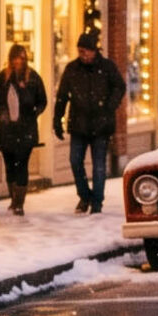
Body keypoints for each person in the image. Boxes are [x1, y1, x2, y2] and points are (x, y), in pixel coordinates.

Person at [52, 28, 126, 215]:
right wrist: (57, 119)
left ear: (94, 51)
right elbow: (62, 96)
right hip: (79, 124)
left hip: (101, 125)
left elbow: (120, 86)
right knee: (75, 161)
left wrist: (109, 106)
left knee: (99, 165)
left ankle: (97, 202)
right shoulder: (72, 69)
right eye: (80, 51)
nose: (82, 55)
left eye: (85, 51)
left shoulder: (107, 67)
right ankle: (85, 195)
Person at [0, 43, 47, 214]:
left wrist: (34, 112)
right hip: (7, 130)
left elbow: (42, 100)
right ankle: (13, 199)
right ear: (11, 59)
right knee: (9, 165)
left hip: (26, 130)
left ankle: (19, 202)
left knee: (22, 164)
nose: (20, 61)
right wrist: (1, 113)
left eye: (23, 58)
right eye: (17, 57)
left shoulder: (33, 78)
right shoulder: (2, 79)